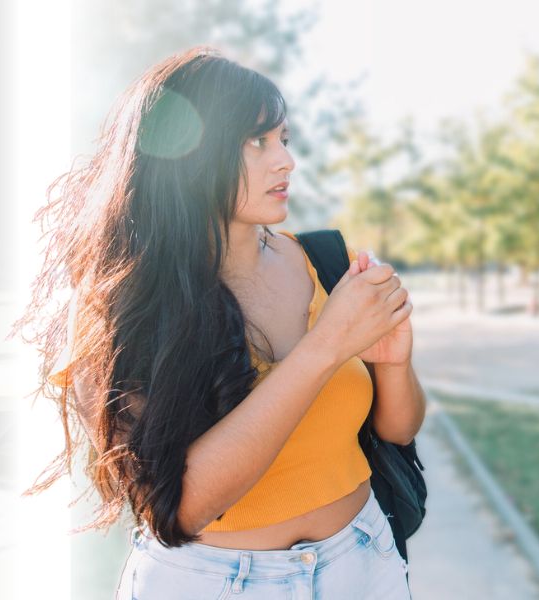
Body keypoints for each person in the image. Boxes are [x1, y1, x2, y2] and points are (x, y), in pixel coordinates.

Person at [22, 48, 423, 599]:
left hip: (363, 559)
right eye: (256, 142)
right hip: (213, 583)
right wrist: (326, 345)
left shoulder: (325, 261)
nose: (285, 161)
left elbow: (397, 431)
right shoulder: (113, 305)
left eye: (283, 138)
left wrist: (394, 363)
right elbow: (180, 510)